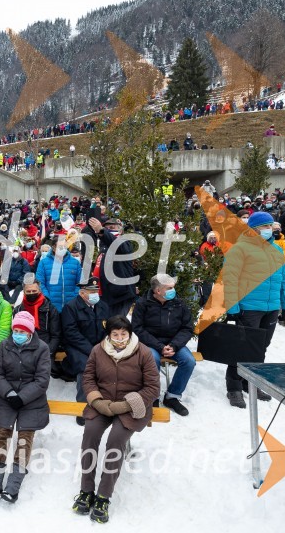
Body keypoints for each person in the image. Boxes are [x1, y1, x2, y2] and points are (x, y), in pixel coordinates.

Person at [73, 316, 159, 524]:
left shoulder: (143, 352)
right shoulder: (98, 350)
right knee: (90, 434)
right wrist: (97, 401)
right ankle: (86, 490)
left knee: (115, 441)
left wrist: (125, 405)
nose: (120, 338)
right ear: (109, 335)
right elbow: (88, 378)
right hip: (102, 403)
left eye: (123, 334)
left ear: (129, 334)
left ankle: (104, 495)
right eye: (115, 334)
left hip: (131, 406)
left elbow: (153, 388)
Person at [222, 211, 285, 408]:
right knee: (242, 347)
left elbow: (284, 280)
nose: (269, 229)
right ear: (253, 229)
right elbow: (230, 280)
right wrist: (233, 307)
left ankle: (250, 381)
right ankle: (234, 387)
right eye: (265, 226)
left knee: (261, 347)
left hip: (271, 307)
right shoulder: (239, 249)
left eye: (271, 225)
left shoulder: (277, 250)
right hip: (249, 308)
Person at [0, 311, 51, 502]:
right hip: (7, 396)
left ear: (30, 332)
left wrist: (22, 397)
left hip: (32, 399)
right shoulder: (5, 345)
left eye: (22, 331)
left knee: (25, 438)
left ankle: (13, 486)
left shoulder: (42, 348)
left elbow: (42, 379)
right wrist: (9, 393)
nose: (18, 334)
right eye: (15, 330)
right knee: (2, 434)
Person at [131, 274, 196, 417]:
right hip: (151, 343)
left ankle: (172, 396)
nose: (173, 290)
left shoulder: (179, 303)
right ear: (158, 291)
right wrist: (160, 346)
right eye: (169, 288)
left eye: (173, 287)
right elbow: (137, 329)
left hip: (174, 343)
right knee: (152, 359)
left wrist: (174, 345)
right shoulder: (143, 303)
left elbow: (187, 328)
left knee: (189, 361)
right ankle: (152, 396)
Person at [59, 277, 111, 418]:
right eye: (91, 291)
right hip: (77, 347)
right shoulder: (71, 307)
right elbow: (71, 334)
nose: (95, 294)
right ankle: (83, 407)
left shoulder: (103, 306)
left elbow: (109, 328)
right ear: (82, 293)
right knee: (86, 367)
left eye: (96, 291)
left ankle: (105, 402)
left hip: (100, 345)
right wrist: (92, 350)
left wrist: (102, 346)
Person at [88, 217, 136, 317]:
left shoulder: (125, 242)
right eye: (107, 228)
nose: (108, 230)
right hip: (104, 293)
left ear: (121, 230)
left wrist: (101, 230)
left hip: (120, 294)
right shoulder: (103, 246)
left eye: (112, 227)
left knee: (116, 323)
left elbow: (116, 244)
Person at [13, 277, 61, 360]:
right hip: (23, 349)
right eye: (28, 291)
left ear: (39, 291)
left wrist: (48, 352)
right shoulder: (18, 310)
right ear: (24, 292)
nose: (31, 293)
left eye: (34, 291)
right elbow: (14, 333)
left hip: (45, 348)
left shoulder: (50, 309)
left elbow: (55, 336)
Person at [36, 241, 82, 312]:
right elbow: (40, 283)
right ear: (54, 248)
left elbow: (80, 283)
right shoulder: (43, 263)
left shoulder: (75, 263)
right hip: (51, 306)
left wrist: (74, 297)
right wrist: (47, 297)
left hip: (71, 306)